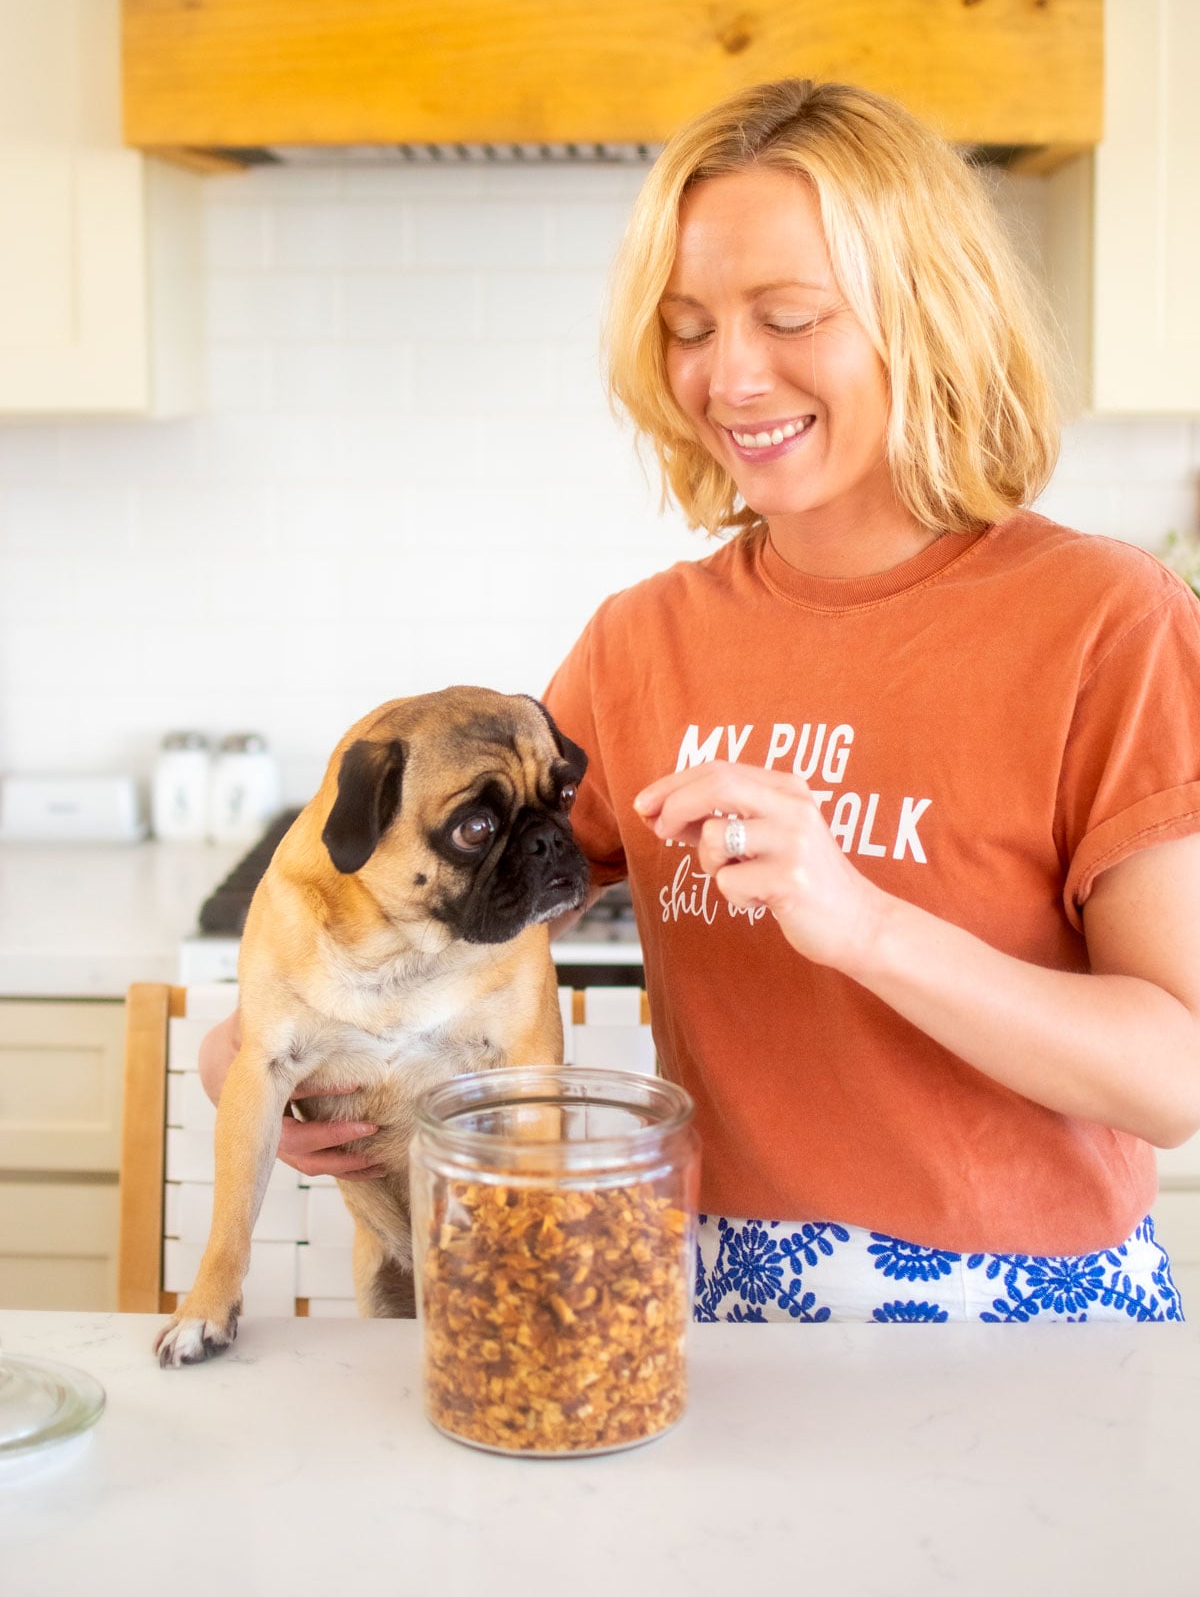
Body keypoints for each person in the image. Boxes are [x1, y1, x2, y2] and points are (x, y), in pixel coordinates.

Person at [200, 79, 1200, 1323]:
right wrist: (293, 1043)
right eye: (686, 327)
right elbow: (486, 912)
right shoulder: (644, 642)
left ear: (927, 316)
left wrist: (865, 924)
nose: (729, 378)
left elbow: (1176, 1073)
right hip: (715, 1312)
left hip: (1035, 1323)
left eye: (790, 316)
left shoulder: (1109, 622)